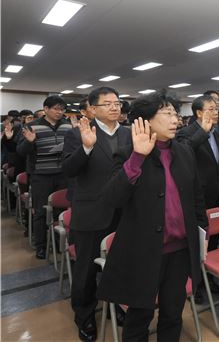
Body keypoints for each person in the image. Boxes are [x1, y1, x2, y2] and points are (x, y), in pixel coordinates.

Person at [96, 92, 208, 342]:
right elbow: (111, 199)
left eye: (175, 114)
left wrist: (204, 232)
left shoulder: (184, 151)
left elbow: (197, 199)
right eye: (167, 114)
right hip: (144, 251)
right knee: (139, 317)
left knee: (173, 315)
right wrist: (138, 157)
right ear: (145, 121)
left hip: (179, 252)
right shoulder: (127, 154)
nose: (174, 120)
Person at [62, 87, 132, 341]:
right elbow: (69, 169)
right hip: (92, 212)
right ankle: (85, 315)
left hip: (124, 212)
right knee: (86, 272)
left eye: (117, 103)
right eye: (108, 104)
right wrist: (86, 148)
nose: (115, 107)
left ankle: (115, 307)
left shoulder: (129, 133)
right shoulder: (77, 134)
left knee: (118, 266)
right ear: (92, 109)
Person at [176, 94, 219, 302]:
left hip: (217, 191)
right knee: (197, 240)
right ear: (198, 112)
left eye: (216, 109)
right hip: (197, 196)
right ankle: (195, 284)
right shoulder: (185, 134)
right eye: (211, 109)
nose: (216, 113)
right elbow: (183, 154)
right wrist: (203, 132)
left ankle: (210, 276)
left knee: (213, 238)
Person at [17, 96, 72, 258]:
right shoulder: (31, 126)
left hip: (63, 174)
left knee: (60, 211)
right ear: (46, 109)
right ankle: (40, 246)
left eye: (62, 109)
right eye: (56, 108)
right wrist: (29, 142)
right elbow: (21, 151)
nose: (59, 112)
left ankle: (56, 242)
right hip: (41, 175)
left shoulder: (68, 125)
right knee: (40, 212)